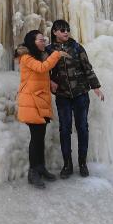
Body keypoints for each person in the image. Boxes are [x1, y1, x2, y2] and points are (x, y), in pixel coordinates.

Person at [46, 20, 104, 178]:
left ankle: (83, 163)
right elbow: (44, 70)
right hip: (63, 96)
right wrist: (49, 80)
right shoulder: (49, 50)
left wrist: (96, 87)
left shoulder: (77, 47)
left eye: (68, 30)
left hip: (80, 95)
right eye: (62, 30)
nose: (66, 32)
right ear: (55, 32)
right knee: (65, 130)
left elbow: (87, 67)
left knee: (82, 128)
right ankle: (67, 165)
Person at [15, 30, 68, 189]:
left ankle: (40, 167)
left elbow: (39, 74)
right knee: (36, 139)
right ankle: (33, 172)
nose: (44, 41)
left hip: (40, 102)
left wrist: (50, 81)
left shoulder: (37, 56)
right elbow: (41, 68)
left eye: (44, 39)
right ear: (32, 41)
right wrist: (57, 54)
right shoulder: (26, 57)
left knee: (40, 138)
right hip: (31, 102)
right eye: (40, 39)